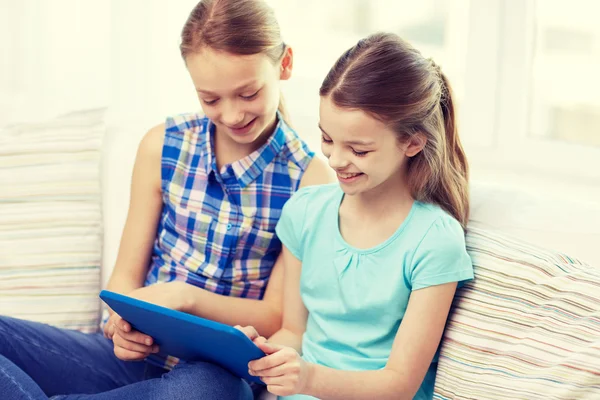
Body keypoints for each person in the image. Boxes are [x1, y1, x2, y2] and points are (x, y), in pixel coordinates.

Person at [0, 0, 331, 399]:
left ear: (285, 64)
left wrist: (185, 297)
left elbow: (277, 314)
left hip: (214, 375)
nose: (231, 114)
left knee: (203, 391)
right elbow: (125, 278)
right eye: (210, 99)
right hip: (128, 360)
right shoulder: (162, 145)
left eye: (248, 93)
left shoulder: (309, 179)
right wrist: (119, 324)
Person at [237, 32, 475, 400]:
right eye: (327, 140)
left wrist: (308, 380)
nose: (335, 161)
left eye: (359, 150)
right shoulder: (305, 212)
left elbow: (399, 384)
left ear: (412, 142)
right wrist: (262, 355)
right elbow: (294, 333)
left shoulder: (434, 240)